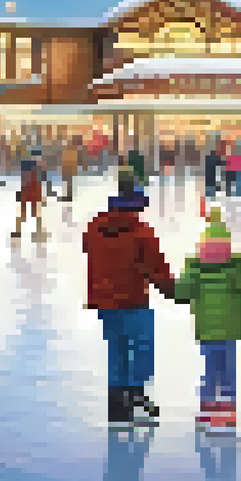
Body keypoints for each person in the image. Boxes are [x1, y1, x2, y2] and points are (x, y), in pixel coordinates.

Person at [83, 178, 175, 426]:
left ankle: (117, 406)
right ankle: (135, 392)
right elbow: (156, 268)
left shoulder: (94, 227)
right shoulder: (141, 232)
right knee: (143, 346)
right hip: (133, 299)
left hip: (104, 300)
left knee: (117, 349)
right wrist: (173, 291)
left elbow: (87, 248)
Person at [175, 214, 241, 430]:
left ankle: (206, 410)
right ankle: (227, 412)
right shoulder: (233, 271)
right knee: (227, 372)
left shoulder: (195, 272)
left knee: (210, 371)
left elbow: (181, 293)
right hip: (228, 331)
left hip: (206, 331)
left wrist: (186, 273)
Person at [14, 153, 47, 240]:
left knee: (25, 212)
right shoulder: (38, 167)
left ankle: (18, 231)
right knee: (35, 212)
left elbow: (23, 179)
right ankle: (38, 232)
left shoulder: (25, 165)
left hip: (28, 190)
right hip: (33, 190)